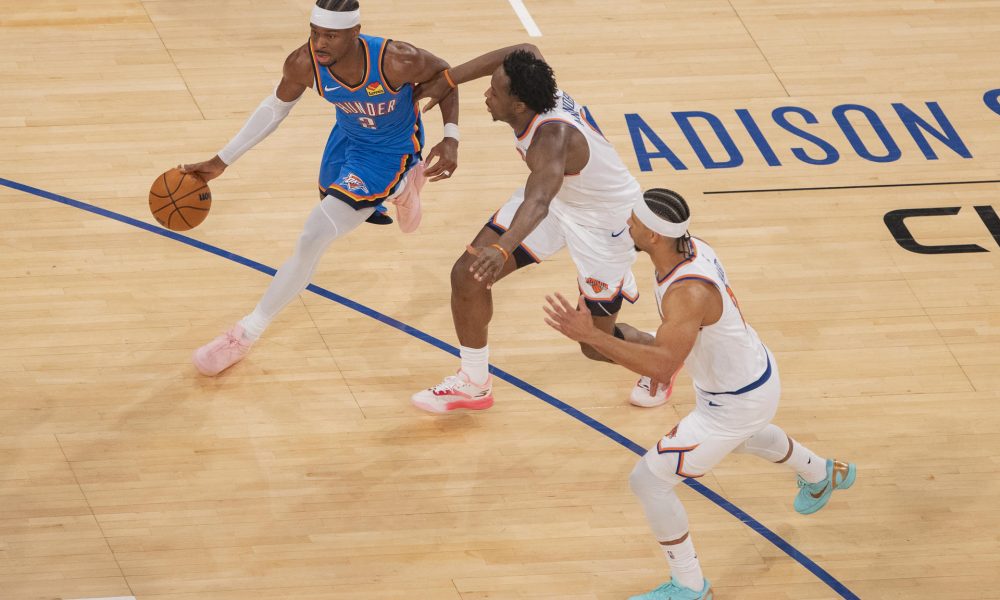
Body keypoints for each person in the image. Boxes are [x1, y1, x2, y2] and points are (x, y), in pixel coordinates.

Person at [543, 188, 856, 600]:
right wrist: (612, 337)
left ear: (654, 235)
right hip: (751, 373)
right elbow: (674, 341)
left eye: (633, 221)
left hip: (735, 400)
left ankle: (689, 586)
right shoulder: (689, 250)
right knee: (744, 437)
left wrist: (594, 337)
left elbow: (663, 366)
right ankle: (822, 474)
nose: (627, 224)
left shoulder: (687, 291)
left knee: (648, 482)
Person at [181, 0, 460, 376]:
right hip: (346, 140)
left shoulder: (397, 60)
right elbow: (275, 108)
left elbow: (446, 76)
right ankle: (400, 191)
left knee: (313, 235)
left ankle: (244, 334)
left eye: (331, 35)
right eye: (315, 33)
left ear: (355, 33)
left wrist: (451, 137)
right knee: (327, 202)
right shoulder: (304, 62)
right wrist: (221, 161)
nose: (320, 43)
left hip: (387, 155)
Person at [410, 45, 672, 412]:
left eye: (495, 92)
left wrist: (501, 248)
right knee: (468, 275)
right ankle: (473, 382)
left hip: (604, 223)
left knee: (594, 345)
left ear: (519, 105)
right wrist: (450, 79)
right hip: (559, 197)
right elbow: (525, 49)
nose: (486, 94)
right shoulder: (536, 85)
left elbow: (537, 203)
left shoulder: (552, 139)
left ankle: (660, 357)